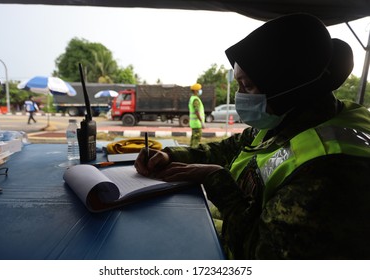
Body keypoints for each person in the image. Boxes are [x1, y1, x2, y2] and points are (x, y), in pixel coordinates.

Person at [134, 13, 370, 259]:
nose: (240, 95)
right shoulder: (287, 116)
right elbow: (231, 147)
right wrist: (170, 154)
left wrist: (217, 180)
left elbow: (262, 255)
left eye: (247, 86)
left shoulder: (331, 171)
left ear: (285, 86)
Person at [189, 83, 205, 147]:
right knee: (196, 142)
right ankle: (193, 155)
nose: (200, 90)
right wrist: (201, 122)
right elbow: (197, 111)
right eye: (199, 89)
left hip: (194, 123)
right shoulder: (195, 100)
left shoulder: (192, 98)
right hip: (197, 124)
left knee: (193, 140)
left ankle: (190, 154)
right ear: (195, 91)